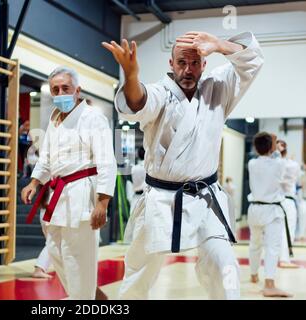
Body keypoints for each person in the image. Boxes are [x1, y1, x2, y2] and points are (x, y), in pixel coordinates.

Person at [103, 30, 263, 299]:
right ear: (171, 63)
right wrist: (130, 76)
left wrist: (220, 45)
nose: (188, 70)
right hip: (161, 200)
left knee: (226, 267)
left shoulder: (218, 87)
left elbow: (252, 61)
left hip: (206, 199)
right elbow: (138, 101)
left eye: (195, 63)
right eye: (181, 62)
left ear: (204, 63)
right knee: (139, 276)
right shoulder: (160, 93)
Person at [21, 66, 117, 300]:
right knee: (56, 251)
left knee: (78, 257)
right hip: (58, 194)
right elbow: (46, 158)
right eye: (56, 89)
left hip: (82, 193)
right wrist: (34, 183)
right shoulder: (54, 119)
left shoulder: (93, 118)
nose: (61, 93)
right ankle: (88, 295)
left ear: (77, 90)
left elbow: (107, 161)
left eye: (66, 88)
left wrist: (102, 204)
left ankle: (85, 298)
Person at [247, 132, 292, 297]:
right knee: (272, 247)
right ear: (272, 147)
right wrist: (274, 146)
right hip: (271, 210)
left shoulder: (252, 163)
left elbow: (270, 153)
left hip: (254, 210)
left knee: (255, 243)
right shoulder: (278, 164)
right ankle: (269, 284)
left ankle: (253, 275)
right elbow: (277, 157)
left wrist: (271, 143)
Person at [276, 140, 301, 268]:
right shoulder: (291, 165)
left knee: (279, 231)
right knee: (287, 230)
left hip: (276, 202)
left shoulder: (272, 164)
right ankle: (284, 259)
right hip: (287, 200)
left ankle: (281, 258)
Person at [126, 146, 146, 213]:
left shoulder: (133, 169)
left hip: (135, 199)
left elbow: (129, 185)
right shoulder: (150, 169)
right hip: (147, 200)